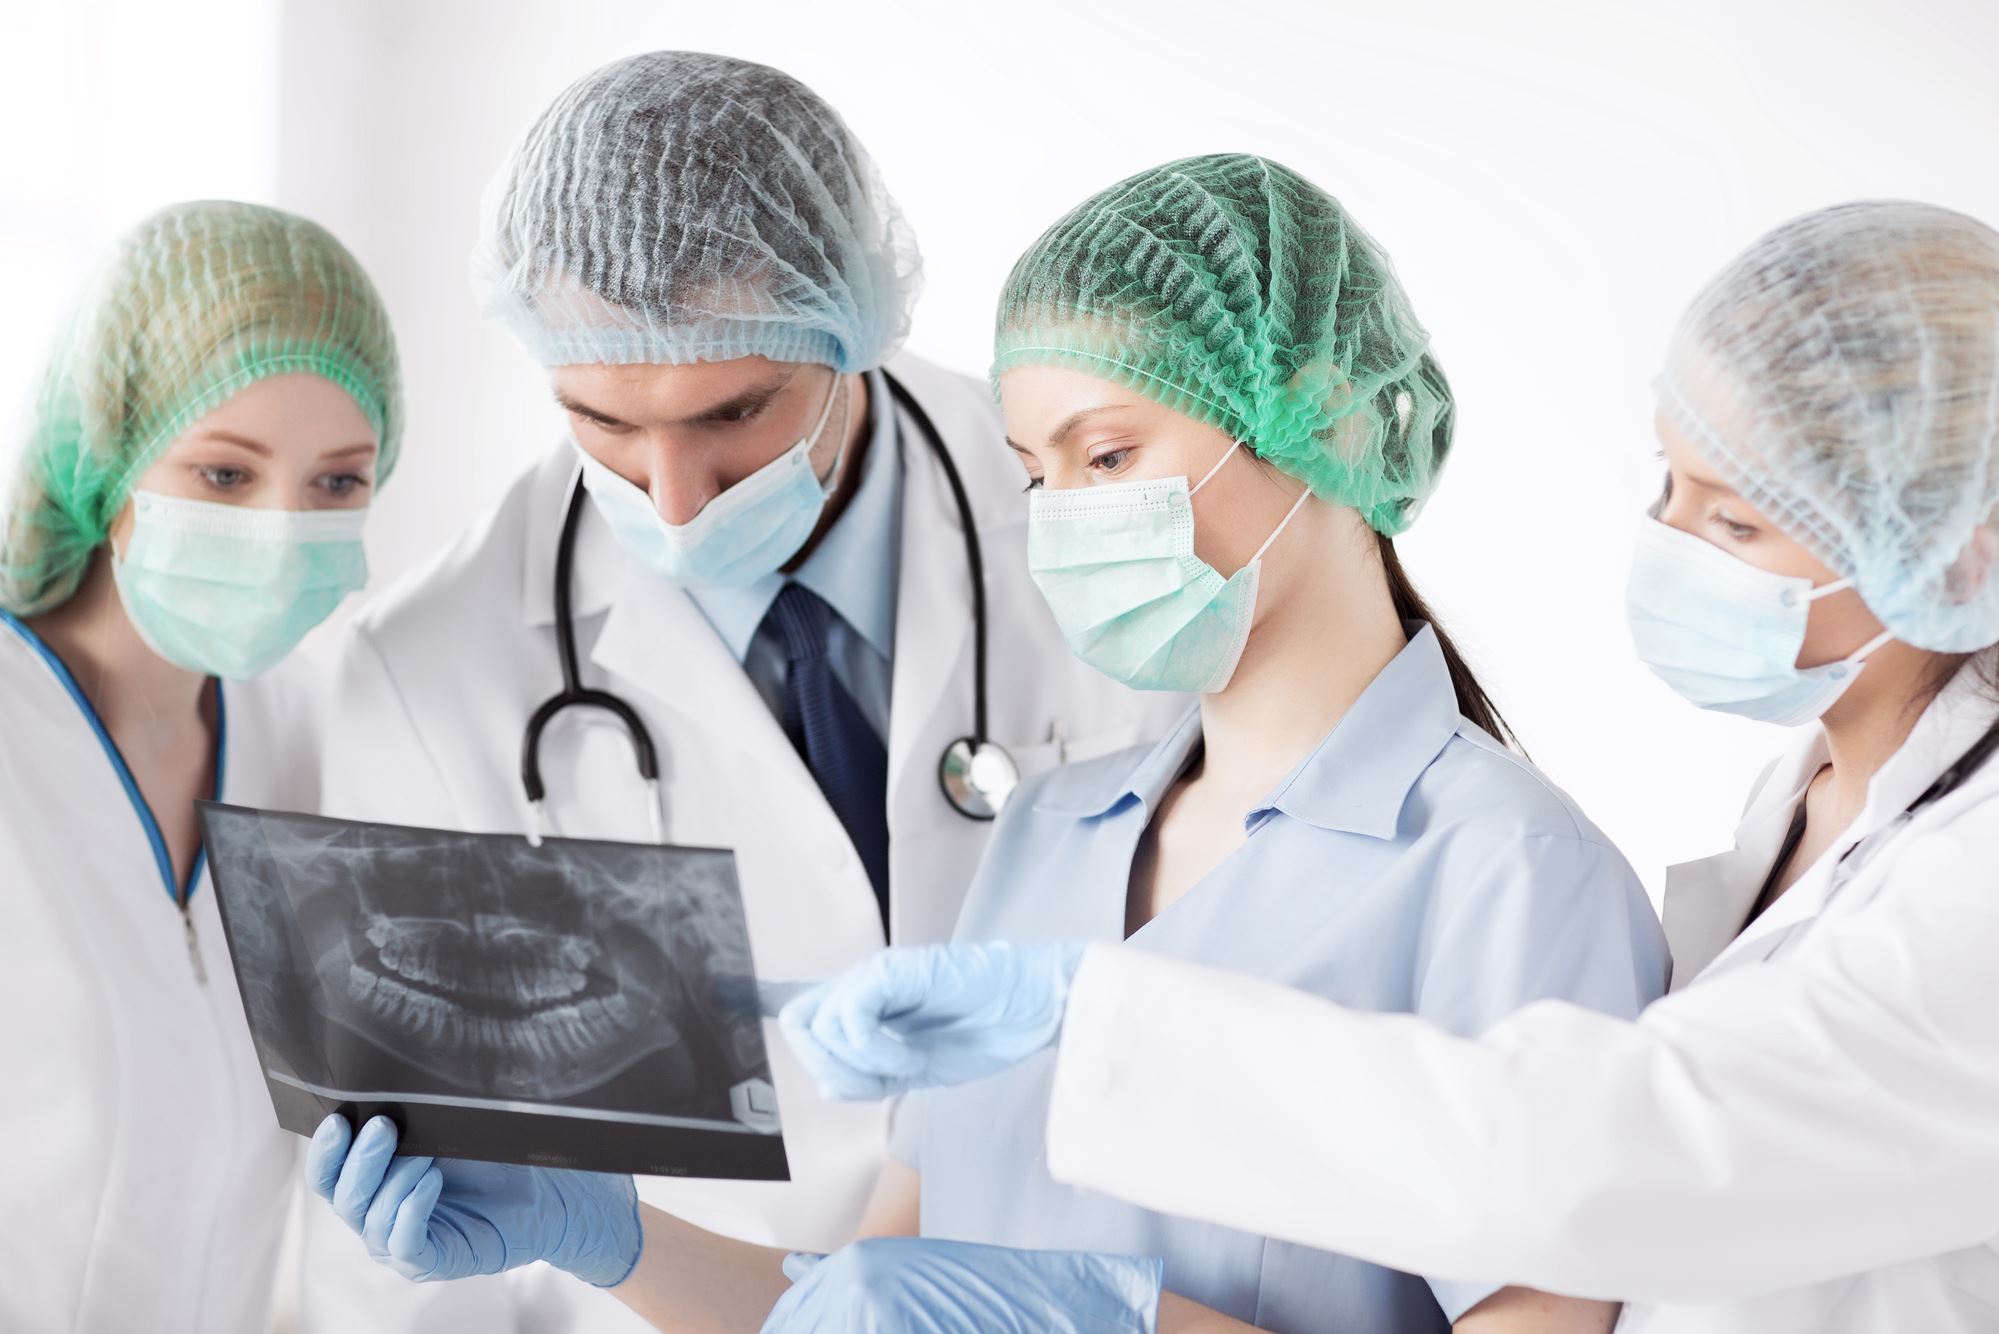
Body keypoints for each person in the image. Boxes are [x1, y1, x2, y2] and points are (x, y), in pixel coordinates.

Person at [306, 154, 1670, 1333]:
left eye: (1106, 454)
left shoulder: (1513, 875)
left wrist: (1114, 1320)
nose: (1060, 518)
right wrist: (603, 1233)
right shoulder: (1047, 833)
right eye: (1032, 472)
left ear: (1314, 417)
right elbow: (868, 1298)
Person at [778, 201, 1999, 1332]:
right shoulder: (1809, 806)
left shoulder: (1943, 891)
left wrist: (1107, 1263)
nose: (1664, 548)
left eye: (1734, 520)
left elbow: (1591, 1145)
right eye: (1665, 484)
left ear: (1959, 551)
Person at [300, 51, 1184, 1332]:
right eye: (602, 420)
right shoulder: (430, 670)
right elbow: (422, 1210)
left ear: (854, 323)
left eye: (736, 409)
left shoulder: (1079, 500)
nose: (672, 493)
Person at [0, 200, 401, 1333]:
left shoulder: (312, 737)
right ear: (109, 456)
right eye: (226, 475)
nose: (282, 530)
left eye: (336, 482)